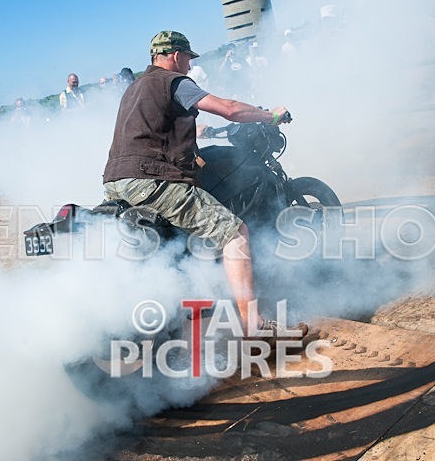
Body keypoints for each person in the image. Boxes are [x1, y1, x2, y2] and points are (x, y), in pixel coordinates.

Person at [102, 30, 303, 338]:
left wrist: (208, 133)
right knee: (235, 233)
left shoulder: (135, 88)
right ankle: (254, 324)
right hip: (151, 180)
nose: (190, 66)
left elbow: (160, 127)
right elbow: (229, 108)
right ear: (175, 55)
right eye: (187, 59)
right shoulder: (174, 82)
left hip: (117, 182)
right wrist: (269, 116)